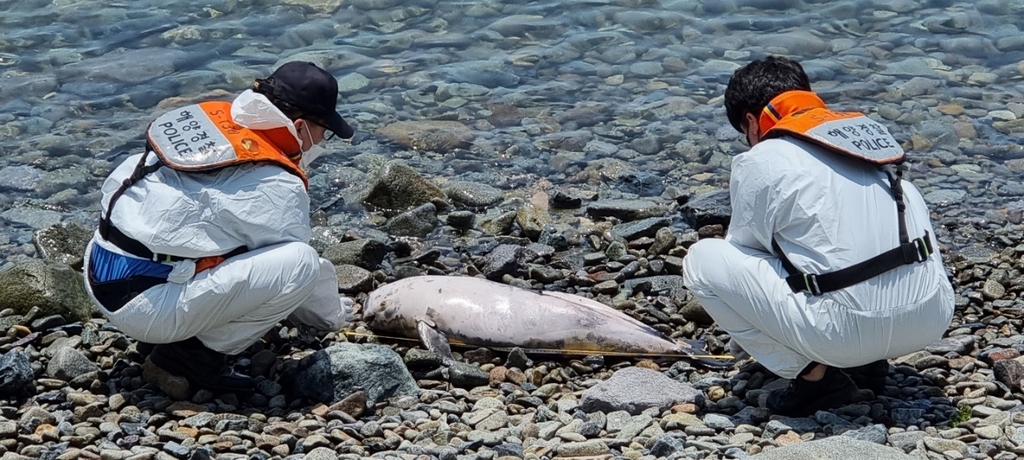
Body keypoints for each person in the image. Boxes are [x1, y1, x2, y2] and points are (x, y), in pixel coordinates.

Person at [682, 56, 954, 416]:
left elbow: (747, 253)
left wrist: (760, 339)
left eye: (744, 134)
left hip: (842, 334)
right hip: (931, 317)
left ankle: (816, 379)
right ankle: (867, 363)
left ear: (751, 121)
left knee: (703, 261)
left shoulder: (764, 157)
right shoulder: (867, 146)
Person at [83, 61, 356, 396]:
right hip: (144, 309)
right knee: (300, 262)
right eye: (322, 132)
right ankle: (190, 359)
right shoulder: (277, 184)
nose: (321, 141)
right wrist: (335, 318)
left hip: (98, 268)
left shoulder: (210, 121)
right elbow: (301, 274)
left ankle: (173, 323)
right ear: (299, 128)